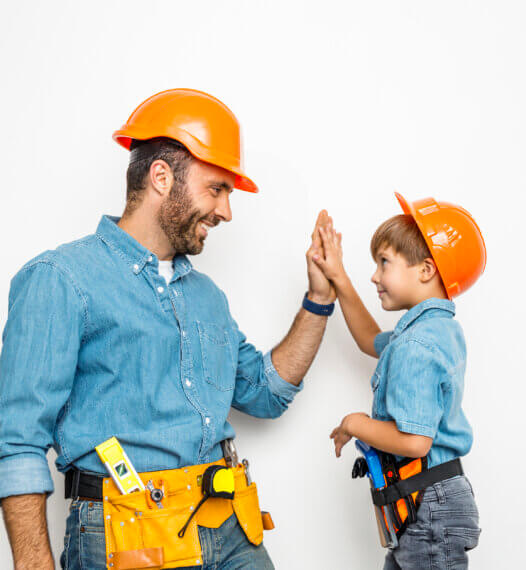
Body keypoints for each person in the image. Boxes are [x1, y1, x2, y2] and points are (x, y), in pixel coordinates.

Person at [0, 88, 339, 569]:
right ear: (162, 177)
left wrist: (319, 300)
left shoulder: (206, 297)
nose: (226, 211)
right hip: (128, 535)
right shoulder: (61, 279)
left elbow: (265, 392)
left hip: (229, 524)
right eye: (217, 188)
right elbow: (16, 441)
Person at [312, 192, 485, 569]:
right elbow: (368, 338)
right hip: (430, 500)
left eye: (384, 262)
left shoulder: (417, 345)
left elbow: (416, 442)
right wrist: (338, 276)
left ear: (426, 270)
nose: (374, 275)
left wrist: (357, 423)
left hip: (429, 506)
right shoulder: (437, 331)